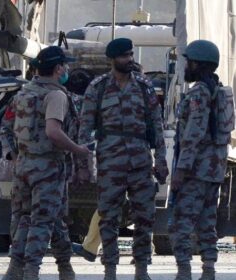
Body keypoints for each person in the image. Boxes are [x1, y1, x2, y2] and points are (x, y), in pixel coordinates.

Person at [77, 38, 168, 280]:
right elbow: (84, 128)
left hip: (140, 162)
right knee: (108, 218)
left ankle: (141, 269)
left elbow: (156, 126)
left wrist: (161, 159)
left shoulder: (144, 86)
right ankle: (110, 270)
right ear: (113, 59)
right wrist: (84, 164)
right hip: (110, 162)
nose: (130, 59)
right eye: (125, 56)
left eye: (131, 55)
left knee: (144, 216)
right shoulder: (97, 88)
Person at [0, 46, 91, 280]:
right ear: (58, 68)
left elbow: (5, 128)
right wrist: (78, 151)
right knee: (42, 221)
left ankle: (61, 268)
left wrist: (15, 156)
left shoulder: (22, 94)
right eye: (65, 65)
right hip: (48, 169)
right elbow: (53, 131)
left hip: (24, 168)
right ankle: (31, 272)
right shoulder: (57, 95)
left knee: (27, 218)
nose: (67, 70)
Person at [169, 40, 233, 280]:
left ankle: (184, 271)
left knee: (180, 223)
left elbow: (193, 133)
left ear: (197, 63)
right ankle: (208, 270)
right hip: (214, 170)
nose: (186, 66)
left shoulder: (199, 92)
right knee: (207, 223)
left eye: (188, 62)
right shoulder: (217, 89)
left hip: (195, 170)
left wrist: (181, 169)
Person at [71, 61, 146, 264]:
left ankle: (92, 248)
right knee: (140, 207)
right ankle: (142, 253)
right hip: (137, 161)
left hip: (119, 161)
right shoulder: (143, 97)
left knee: (109, 206)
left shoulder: (116, 97)